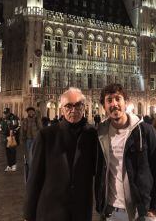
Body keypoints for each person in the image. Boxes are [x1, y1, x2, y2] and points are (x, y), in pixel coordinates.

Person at [95, 84, 156, 221]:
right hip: (111, 211)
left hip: (140, 212)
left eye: (118, 99)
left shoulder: (145, 131)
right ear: (104, 106)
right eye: (109, 100)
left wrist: (155, 208)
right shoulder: (100, 134)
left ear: (126, 102)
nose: (114, 104)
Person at [24, 87, 97, 221]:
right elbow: (34, 177)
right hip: (51, 210)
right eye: (68, 106)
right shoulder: (46, 135)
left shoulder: (93, 135)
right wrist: (29, 215)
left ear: (84, 107)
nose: (73, 110)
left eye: (78, 105)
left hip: (80, 211)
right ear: (62, 109)